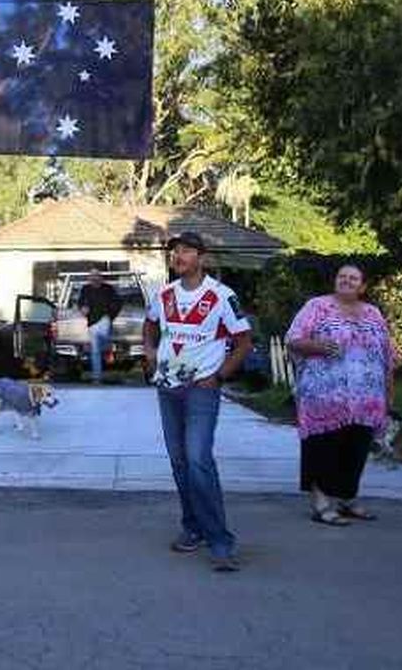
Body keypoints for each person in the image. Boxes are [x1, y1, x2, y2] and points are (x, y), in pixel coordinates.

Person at [143, 231, 253, 571]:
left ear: (201, 257)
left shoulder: (222, 296)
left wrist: (219, 376)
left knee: (198, 459)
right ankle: (193, 528)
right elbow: (150, 326)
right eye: (175, 250)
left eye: (187, 250)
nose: (178, 255)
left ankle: (221, 542)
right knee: (179, 461)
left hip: (202, 390)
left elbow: (244, 341)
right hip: (168, 388)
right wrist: (149, 353)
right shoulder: (163, 294)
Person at [286, 264, 396, 526]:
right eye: (342, 277)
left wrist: (389, 390)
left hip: (366, 399)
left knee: (355, 448)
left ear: (363, 286)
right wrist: (317, 345)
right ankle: (321, 502)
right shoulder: (317, 307)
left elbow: (386, 354)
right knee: (324, 448)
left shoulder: (373, 313)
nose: (346, 281)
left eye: (353, 278)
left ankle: (347, 498)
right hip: (324, 397)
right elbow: (293, 339)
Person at [77, 269, 123, 382]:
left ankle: (109, 349)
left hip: (105, 320)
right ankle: (97, 377)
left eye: (97, 276)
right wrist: (82, 308)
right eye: (92, 276)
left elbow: (118, 303)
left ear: (101, 278)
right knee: (95, 351)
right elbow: (80, 302)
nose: (94, 279)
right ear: (89, 278)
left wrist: (110, 316)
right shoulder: (85, 289)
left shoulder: (108, 289)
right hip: (92, 323)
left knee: (100, 343)